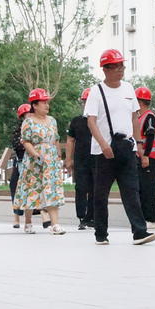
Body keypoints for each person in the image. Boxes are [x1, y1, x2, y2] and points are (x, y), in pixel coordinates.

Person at [84, 50, 155, 246]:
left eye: (122, 66)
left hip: (127, 148)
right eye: (117, 66)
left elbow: (134, 117)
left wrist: (138, 143)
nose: (121, 70)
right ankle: (101, 233)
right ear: (106, 69)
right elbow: (91, 121)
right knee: (100, 195)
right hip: (103, 152)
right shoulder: (96, 91)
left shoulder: (128, 89)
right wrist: (103, 144)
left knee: (131, 191)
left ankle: (139, 232)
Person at [12, 88, 66, 234]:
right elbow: (26, 141)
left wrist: (58, 156)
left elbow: (56, 140)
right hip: (34, 161)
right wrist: (35, 154)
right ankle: (28, 221)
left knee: (51, 189)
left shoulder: (52, 121)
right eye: (43, 102)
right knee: (32, 189)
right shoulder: (28, 122)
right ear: (34, 105)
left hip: (51, 160)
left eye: (47, 102)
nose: (47, 105)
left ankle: (55, 224)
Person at [65, 88, 95, 230]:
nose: (86, 104)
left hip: (97, 160)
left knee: (96, 188)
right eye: (84, 102)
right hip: (81, 160)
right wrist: (68, 159)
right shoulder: (76, 121)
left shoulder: (100, 121)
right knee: (81, 188)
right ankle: (82, 217)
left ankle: (92, 217)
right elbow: (70, 140)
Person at [135, 86, 155, 230]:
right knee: (142, 188)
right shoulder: (141, 117)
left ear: (140, 102)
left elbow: (150, 137)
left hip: (149, 158)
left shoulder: (149, 117)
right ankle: (144, 217)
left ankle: (150, 218)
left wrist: (145, 156)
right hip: (144, 157)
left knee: (149, 189)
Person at [9, 103, 32, 229]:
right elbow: (17, 144)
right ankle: (16, 217)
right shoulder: (18, 130)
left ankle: (43, 216)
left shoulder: (38, 126)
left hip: (34, 161)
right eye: (26, 114)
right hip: (20, 161)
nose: (28, 116)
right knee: (15, 186)